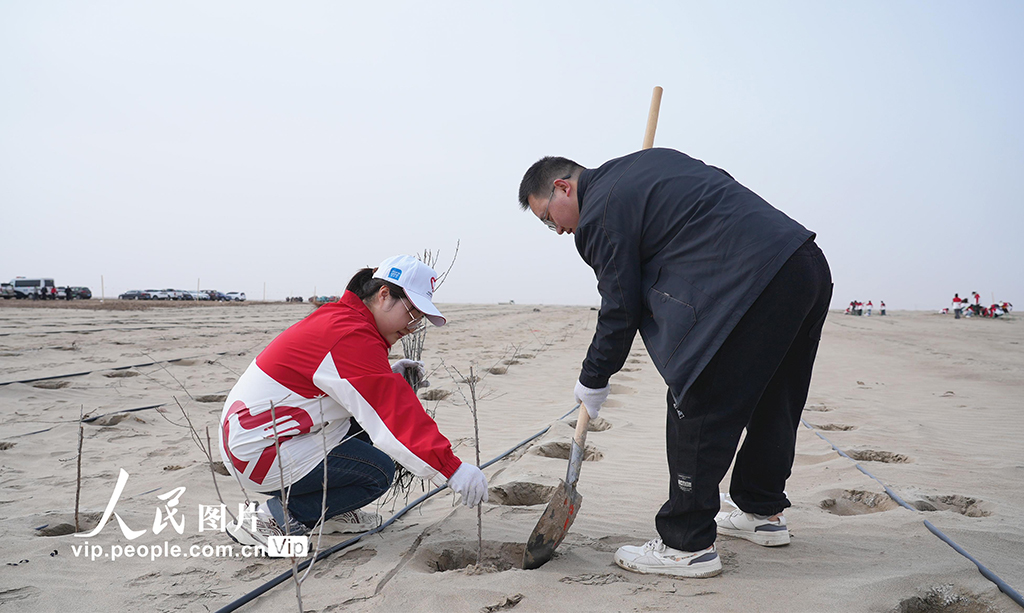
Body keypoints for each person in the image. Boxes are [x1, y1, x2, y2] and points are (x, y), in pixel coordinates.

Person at [518, 149, 831, 578]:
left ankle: (686, 544)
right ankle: (761, 511)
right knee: (776, 396)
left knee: (696, 400)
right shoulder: (646, 165)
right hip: (802, 263)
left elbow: (620, 308)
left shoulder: (598, 216)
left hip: (749, 283)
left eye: (547, 218)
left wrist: (593, 378)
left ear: (562, 187)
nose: (556, 230)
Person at [219, 254, 488, 549]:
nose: (413, 326)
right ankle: (271, 519)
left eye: (420, 320)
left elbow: (346, 389)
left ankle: (333, 513)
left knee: (363, 426)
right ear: (384, 295)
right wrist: (452, 469)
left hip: (259, 438)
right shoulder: (351, 335)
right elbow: (393, 415)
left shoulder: (344, 319)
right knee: (377, 472)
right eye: (412, 313)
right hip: (260, 452)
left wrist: (390, 375)